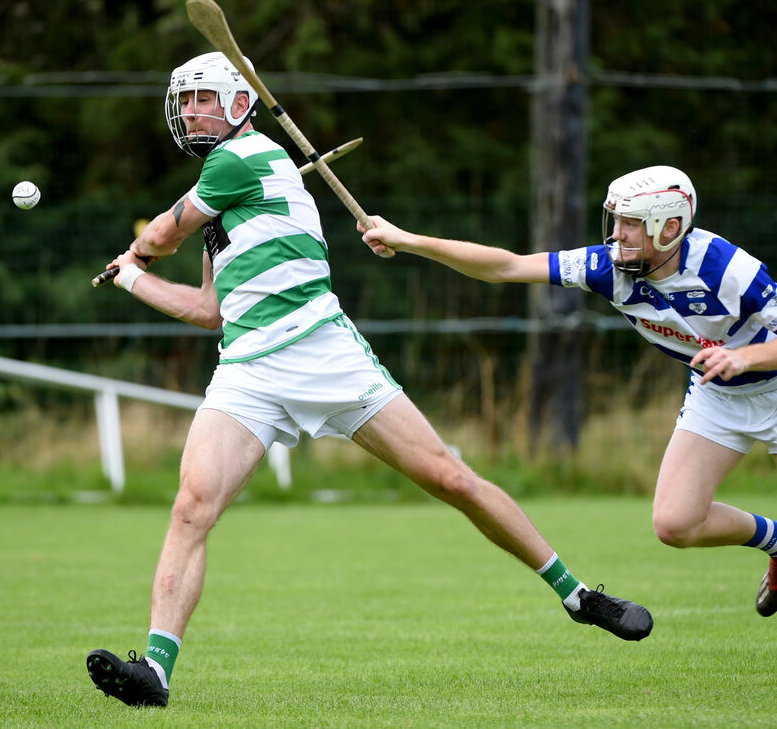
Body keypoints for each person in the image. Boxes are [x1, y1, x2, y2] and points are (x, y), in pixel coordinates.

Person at [84, 52, 653, 709]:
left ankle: (580, 595)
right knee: (192, 508)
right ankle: (155, 673)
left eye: (202, 99)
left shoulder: (240, 160)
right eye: (184, 103)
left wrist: (141, 251)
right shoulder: (224, 208)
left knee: (450, 479)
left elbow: (162, 231)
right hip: (248, 369)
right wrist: (132, 278)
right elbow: (209, 310)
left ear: (240, 103)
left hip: (323, 349)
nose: (190, 113)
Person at [360, 165, 777, 684]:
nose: (616, 234)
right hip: (718, 394)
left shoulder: (723, 265)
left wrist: (744, 360)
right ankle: (776, 544)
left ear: (669, 227)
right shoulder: (606, 266)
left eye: (630, 224)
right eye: (616, 221)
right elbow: (507, 267)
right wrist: (408, 240)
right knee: (673, 524)